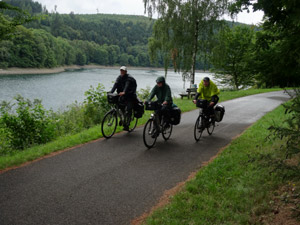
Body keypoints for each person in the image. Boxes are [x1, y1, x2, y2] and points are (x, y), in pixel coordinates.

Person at [110, 66, 137, 131]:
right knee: (120, 106)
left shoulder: (129, 78)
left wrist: (124, 92)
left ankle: (127, 123)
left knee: (129, 108)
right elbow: (115, 85)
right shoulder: (119, 77)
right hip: (123, 96)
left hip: (130, 95)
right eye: (121, 71)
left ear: (126, 71)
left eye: (123, 71)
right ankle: (123, 118)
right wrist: (111, 92)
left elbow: (127, 86)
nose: (121, 72)